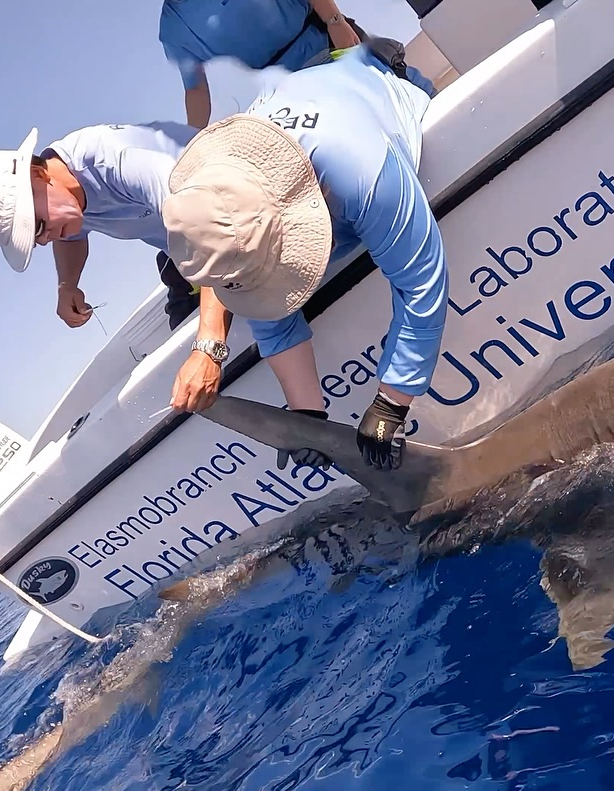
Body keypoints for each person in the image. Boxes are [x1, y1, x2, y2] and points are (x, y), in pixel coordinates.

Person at [162, 43, 447, 472]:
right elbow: (268, 311)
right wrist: (307, 418)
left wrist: (392, 401)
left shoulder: (359, 166)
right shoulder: (228, 212)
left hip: (378, 93)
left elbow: (421, 280)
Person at [0, 121, 205, 330]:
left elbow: (209, 233)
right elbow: (70, 238)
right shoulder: (64, 199)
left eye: (37, 226)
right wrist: (67, 285)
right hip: (185, 252)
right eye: (33, 238)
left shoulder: (114, 160)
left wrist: (209, 344)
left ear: (39, 175)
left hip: (227, 223)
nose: (43, 240)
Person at [159, 0, 434, 130]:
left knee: (407, 97)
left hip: (327, 42)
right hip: (282, 93)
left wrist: (334, 21)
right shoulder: (173, 23)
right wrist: (191, 142)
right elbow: (195, 89)